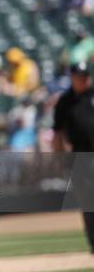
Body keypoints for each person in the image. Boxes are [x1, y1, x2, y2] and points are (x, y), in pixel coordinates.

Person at [52, 62, 94, 253]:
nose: (84, 79)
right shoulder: (65, 101)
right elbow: (57, 133)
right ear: (72, 77)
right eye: (80, 76)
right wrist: (60, 158)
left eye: (86, 76)